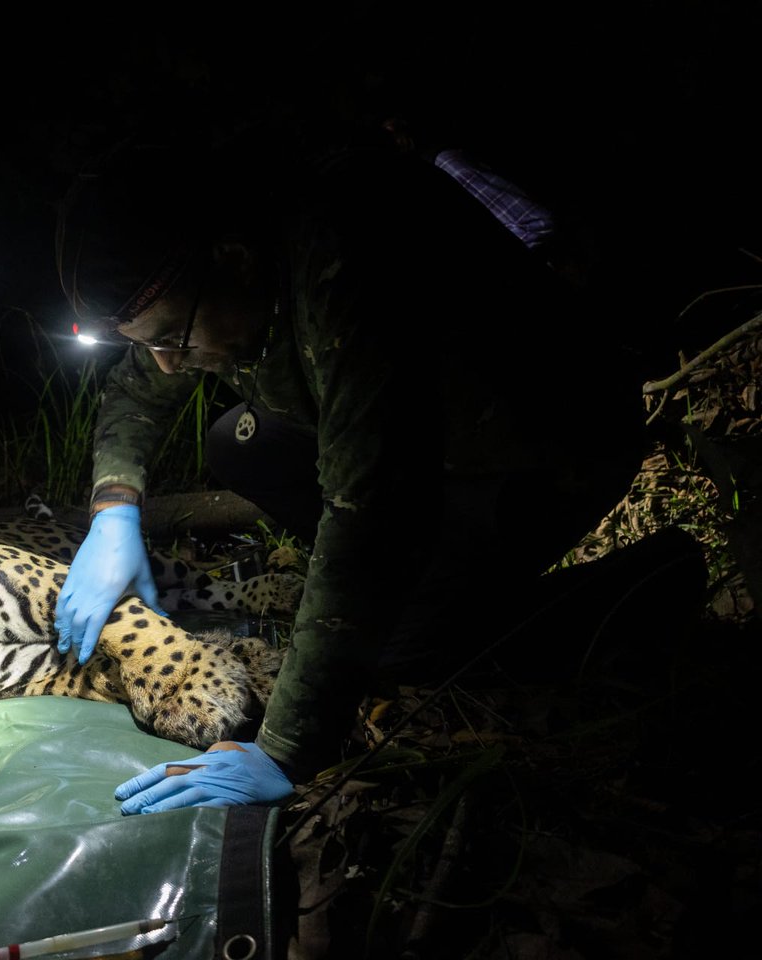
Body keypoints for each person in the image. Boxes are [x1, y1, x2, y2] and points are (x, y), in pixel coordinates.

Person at [52, 136, 667, 814]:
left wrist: (287, 746)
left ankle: (631, 588)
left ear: (234, 259)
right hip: (419, 446)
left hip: (538, 452)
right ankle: (431, 581)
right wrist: (115, 508)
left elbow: (367, 508)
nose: (168, 364)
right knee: (238, 445)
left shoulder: (346, 264)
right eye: (149, 344)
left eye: (173, 337)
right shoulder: (224, 276)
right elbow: (136, 394)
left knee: (392, 649)